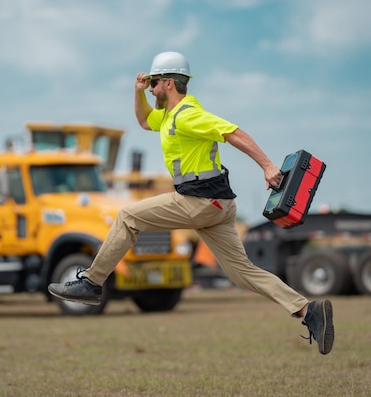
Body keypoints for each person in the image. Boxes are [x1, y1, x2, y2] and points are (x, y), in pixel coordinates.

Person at [49, 51, 335, 355]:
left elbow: (234, 133)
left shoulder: (188, 115)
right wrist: (137, 91)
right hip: (217, 206)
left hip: (199, 200)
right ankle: (308, 310)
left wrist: (266, 166)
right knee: (243, 273)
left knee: (127, 217)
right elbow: (145, 121)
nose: (151, 88)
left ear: (169, 83)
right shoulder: (169, 116)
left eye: (154, 83)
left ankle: (92, 283)